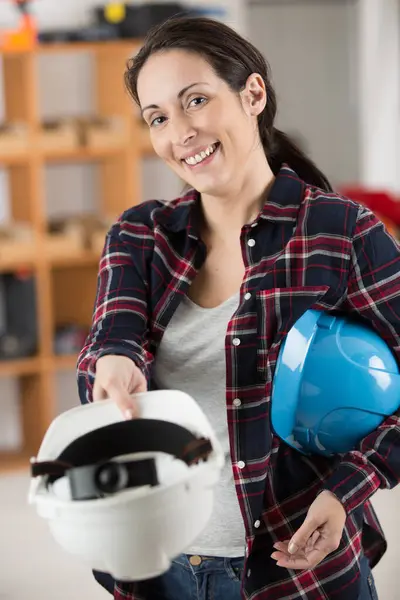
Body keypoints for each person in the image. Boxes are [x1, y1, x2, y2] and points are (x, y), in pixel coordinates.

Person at [76, 15, 400, 600]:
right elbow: (113, 338)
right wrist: (111, 365)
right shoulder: (139, 236)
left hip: (299, 568)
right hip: (157, 566)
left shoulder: (340, 233)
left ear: (252, 94)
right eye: (158, 118)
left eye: (195, 100)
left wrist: (346, 489)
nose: (181, 133)